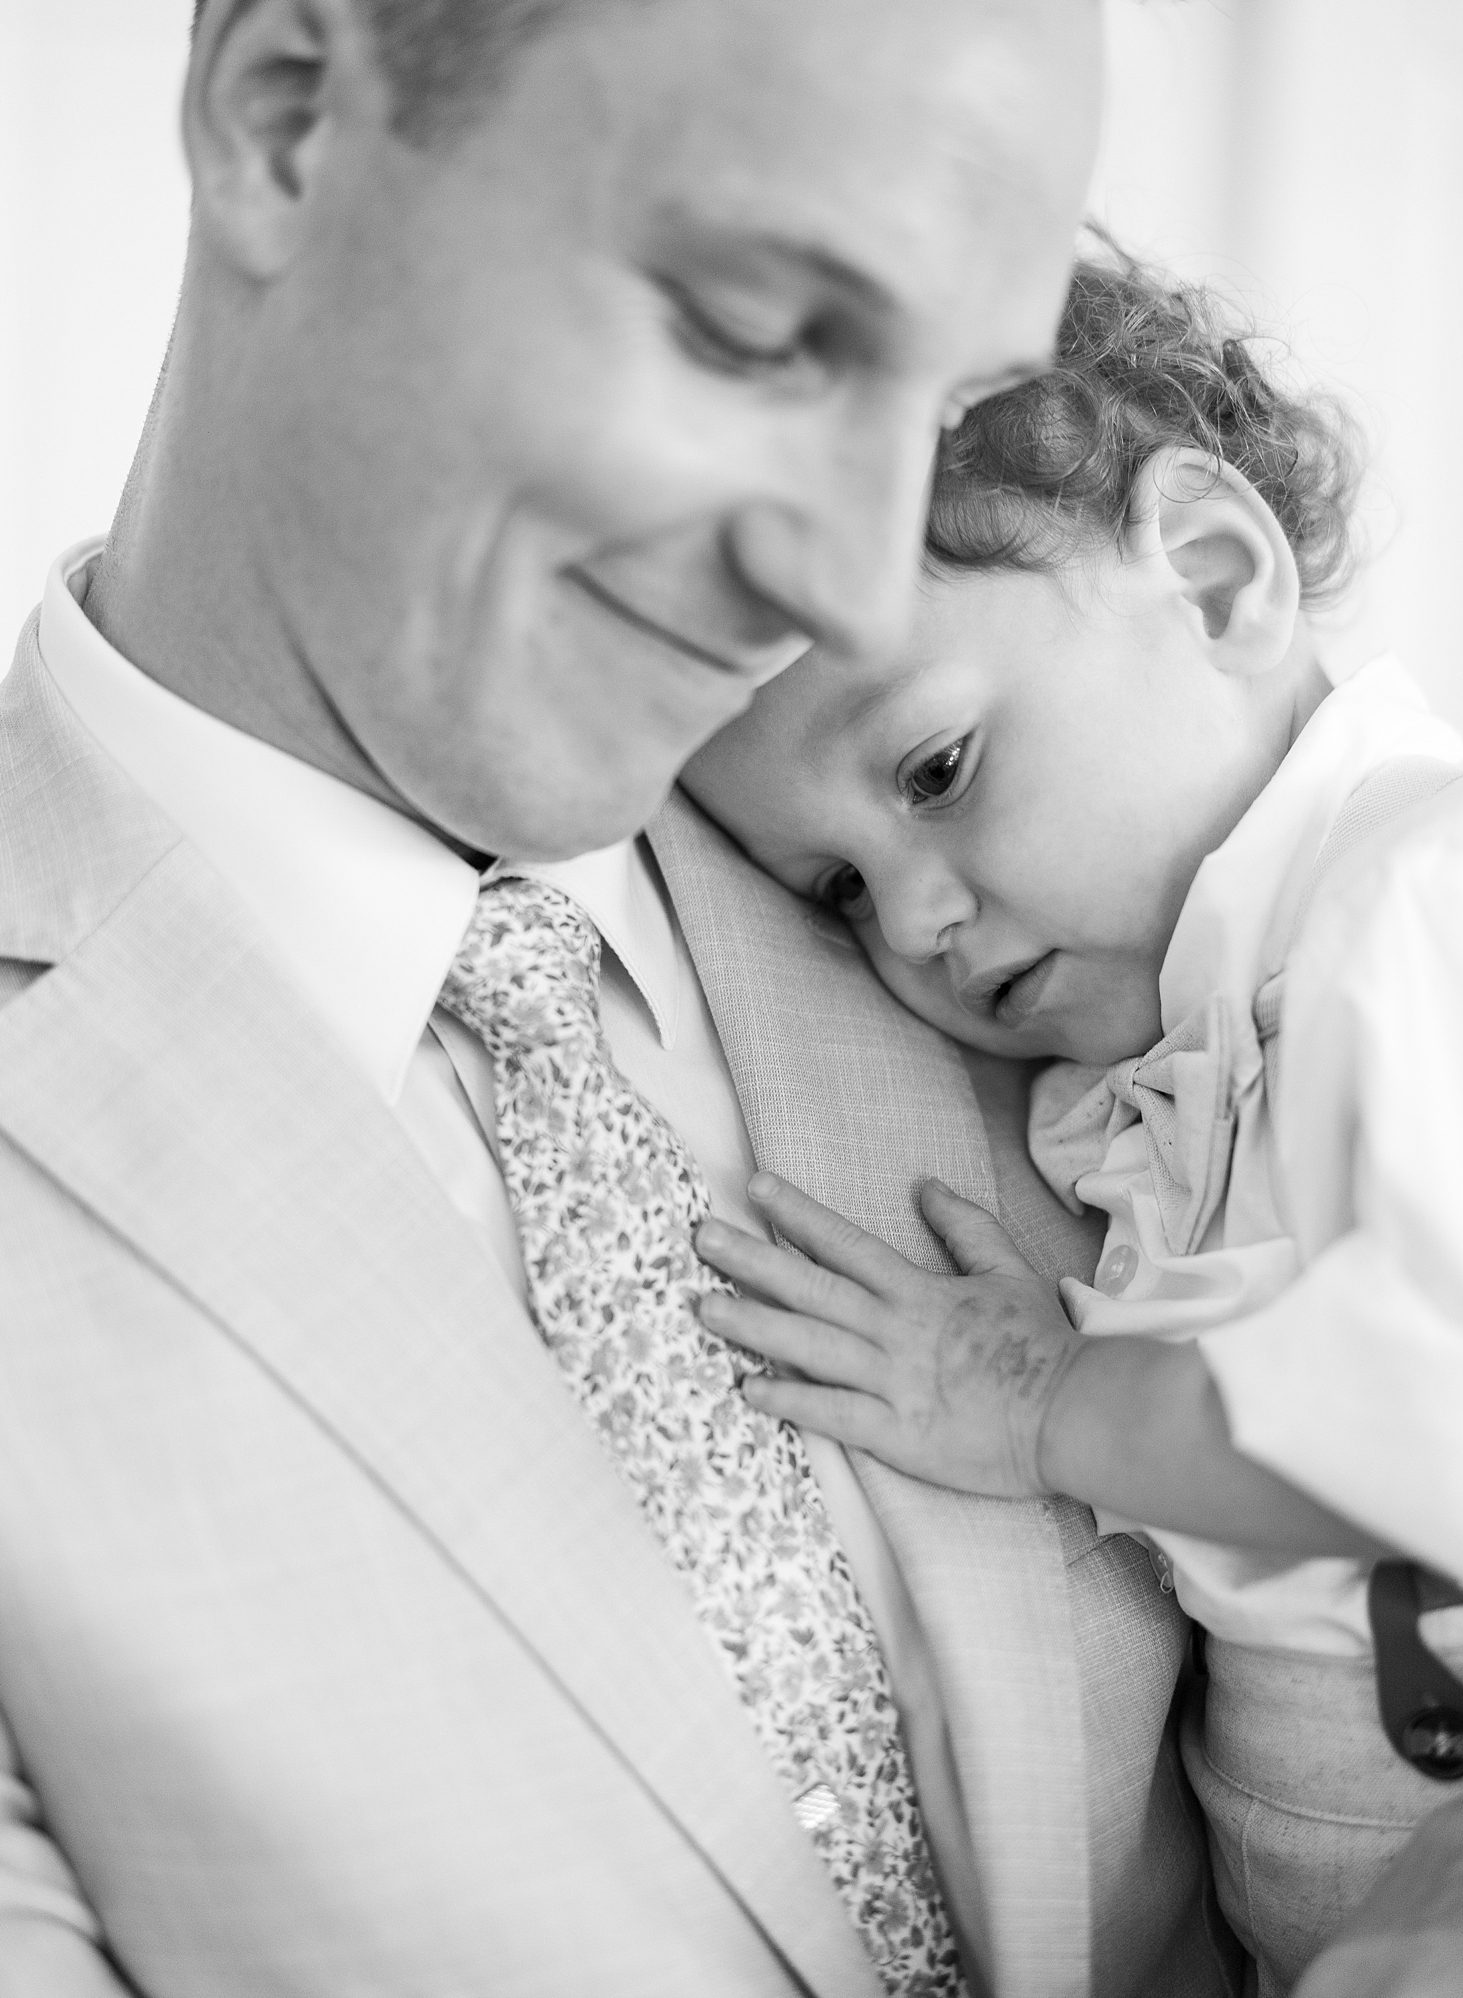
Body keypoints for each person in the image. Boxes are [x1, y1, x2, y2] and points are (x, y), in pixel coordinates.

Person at [0, 2, 1250, 1994]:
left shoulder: (1058, 889)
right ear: (287, 121)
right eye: (761, 338)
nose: (850, 589)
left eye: (943, 408)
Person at [685, 247, 1463, 1996]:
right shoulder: (1147, 1058)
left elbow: (1451, 1421)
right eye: (835, 886)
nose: (909, 922)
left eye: (934, 773)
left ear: (1211, 579)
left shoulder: (1428, 899)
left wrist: (1046, 1398)